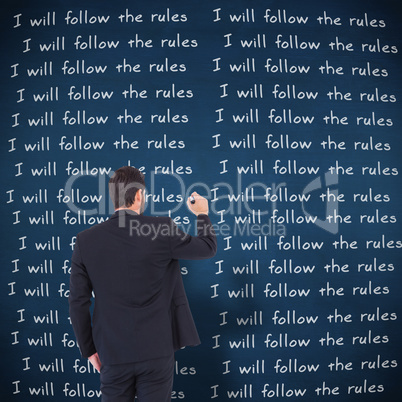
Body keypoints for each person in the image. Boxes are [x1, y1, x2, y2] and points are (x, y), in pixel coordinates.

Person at [68, 166, 217, 401]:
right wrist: (202, 214)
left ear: (113, 197)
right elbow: (208, 247)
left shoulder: (85, 241)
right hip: (157, 349)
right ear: (138, 195)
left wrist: (89, 349)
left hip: (112, 352)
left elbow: (78, 302)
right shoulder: (162, 228)